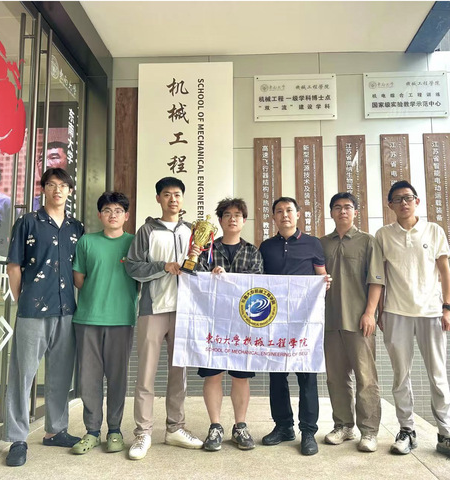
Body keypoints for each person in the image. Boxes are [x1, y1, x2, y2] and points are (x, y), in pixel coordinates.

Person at [375, 180, 450, 463]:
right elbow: (379, 276)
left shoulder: (434, 231)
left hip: (431, 313)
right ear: (390, 205)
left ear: (417, 201)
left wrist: (447, 308)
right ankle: (407, 430)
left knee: (438, 376)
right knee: (400, 376)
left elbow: (445, 272)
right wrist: (380, 312)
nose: (404, 203)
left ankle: (446, 435)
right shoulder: (383, 235)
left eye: (408, 198)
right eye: (397, 199)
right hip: (396, 313)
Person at [3, 167, 84, 467]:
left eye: (63, 185)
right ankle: (17, 438)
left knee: (61, 375)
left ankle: (56, 430)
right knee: (22, 375)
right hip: (33, 311)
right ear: (44, 189)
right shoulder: (28, 222)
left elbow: (79, 271)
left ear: (70, 191)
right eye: (51, 184)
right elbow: (14, 266)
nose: (57, 190)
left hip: (67, 311)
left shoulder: (77, 227)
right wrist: (21, 300)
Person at [124, 176, 203, 460]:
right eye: (167, 194)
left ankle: (175, 428)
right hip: (153, 308)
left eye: (177, 194)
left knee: (178, 373)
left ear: (182, 199)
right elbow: (133, 267)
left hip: (183, 310)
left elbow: (200, 271)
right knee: (146, 373)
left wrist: (199, 261)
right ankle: (143, 432)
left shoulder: (193, 231)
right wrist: (163, 267)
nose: (173, 199)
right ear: (158, 198)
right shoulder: (147, 230)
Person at [259, 196, 330, 456]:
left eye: (289, 210)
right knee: (277, 376)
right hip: (274, 322)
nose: (284, 215)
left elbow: (321, 276)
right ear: (273, 217)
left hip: (304, 322)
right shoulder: (266, 247)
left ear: (298, 214)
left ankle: (308, 431)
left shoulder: (313, 243)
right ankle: (283, 427)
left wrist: (325, 282)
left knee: (306, 375)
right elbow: (258, 281)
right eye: (279, 211)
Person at [70, 192, 138, 455]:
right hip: (88, 319)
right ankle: (91, 431)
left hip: (121, 319)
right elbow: (79, 279)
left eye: (118, 211)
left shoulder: (133, 244)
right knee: (89, 378)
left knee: (118, 378)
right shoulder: (87, 241)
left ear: (126, 216)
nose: (113, 215)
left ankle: (115, 430)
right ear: (99, 215)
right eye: (107, 210)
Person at [195, 197, 263, 452]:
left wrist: (229, 278)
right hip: (212, 323)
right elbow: (196, 281)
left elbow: (257, 284)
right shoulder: (207, 250)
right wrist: (210, 277)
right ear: (220, 221)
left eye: (237, 215)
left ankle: (240, 426)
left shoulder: (253, 252)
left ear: (244, 221)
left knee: (240, 377)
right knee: (213, 375)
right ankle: (215, 426)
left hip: (243, 325)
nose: (232, 219)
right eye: (227, 215)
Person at [320, 192, 384, 453]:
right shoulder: (322, 244)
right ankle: (344, 426)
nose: (342, 211)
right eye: (337, 207)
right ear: (331, 213)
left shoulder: (367, 241)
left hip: (359, 321)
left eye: (347, 207)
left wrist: (370, 313)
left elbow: (376, 280)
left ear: (356, 212)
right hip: (329, 320)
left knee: (365, 378)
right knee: (336, 378)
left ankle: (369, 431)